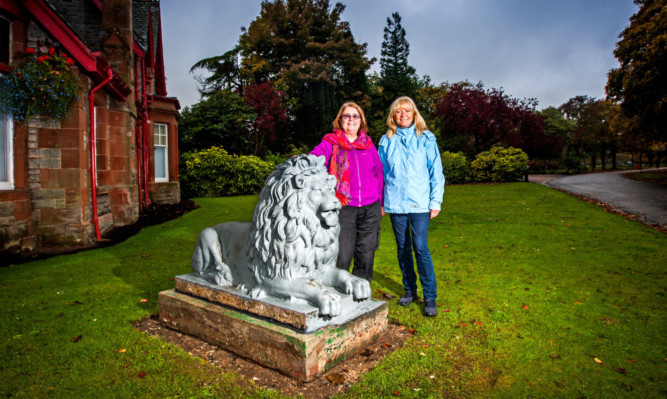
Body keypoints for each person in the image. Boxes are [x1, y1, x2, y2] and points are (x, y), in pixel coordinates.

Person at [378, 96, 445, 317]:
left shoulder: (426, 138)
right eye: (398, 112)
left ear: (414, 114)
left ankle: (430, 296)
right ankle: (409, 290)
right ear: (393, 116)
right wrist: (381, 201)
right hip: (395, 203)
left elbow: (436, 172)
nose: (403, 115)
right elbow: (381, 174)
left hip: (420, 203)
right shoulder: (386, 140)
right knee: (403, 248)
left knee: (420, 246)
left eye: (407, 111)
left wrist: (435, 202)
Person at [310, 102, 384, 281]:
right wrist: (304, 160)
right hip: (344, 207)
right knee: (342, 254)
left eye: (355, 116)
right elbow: (314, 157)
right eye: (347, 116)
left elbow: (378, 173)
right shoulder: (331, 143)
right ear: (340, 120)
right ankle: (337, 291)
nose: (351, 119)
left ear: (361, 121)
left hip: (370, 207)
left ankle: (361, 293)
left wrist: (380, 203)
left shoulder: (368, 145)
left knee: (366, 254)